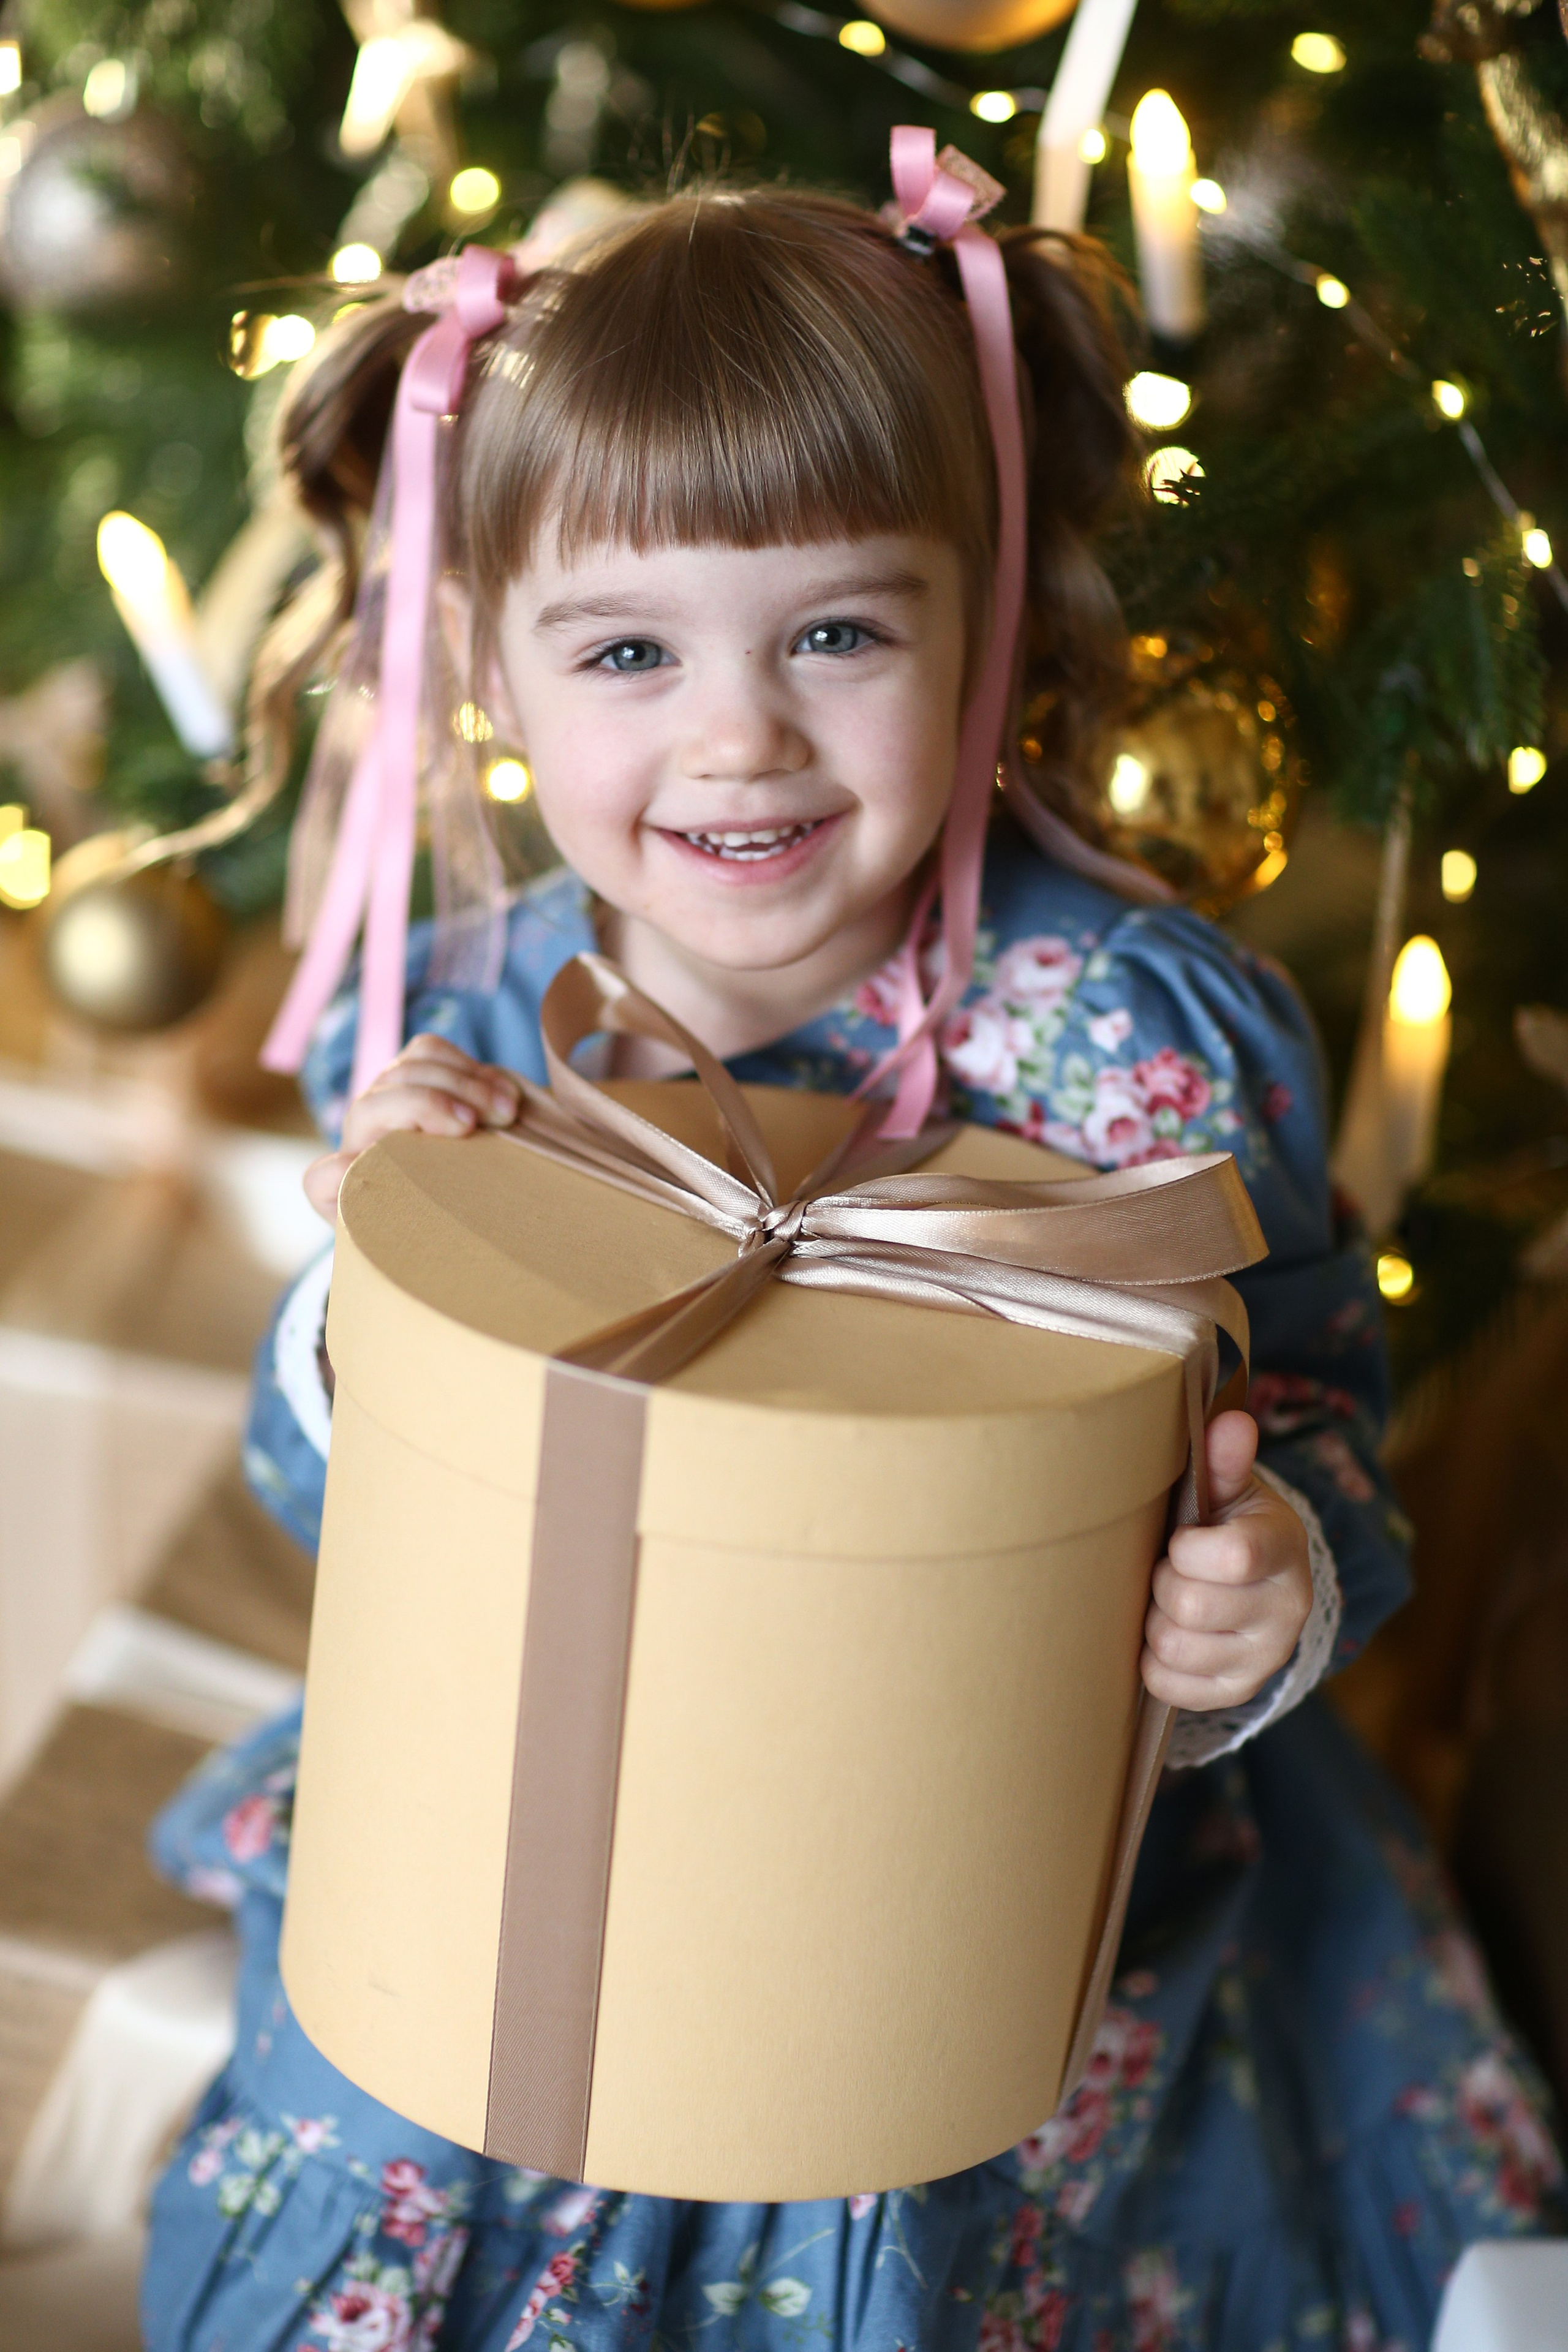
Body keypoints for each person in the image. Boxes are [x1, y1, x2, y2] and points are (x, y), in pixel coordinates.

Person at [142, 142, 1562, 2352]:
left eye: (836, 631)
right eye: (628, 650)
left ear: (985, 628)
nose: (740, 737)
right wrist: (386, 1288)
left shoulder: (1133, 1033)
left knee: (997, 2143)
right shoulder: (484, 1031)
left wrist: (1262, 1573)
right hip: (564, 1784)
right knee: (440, 2101)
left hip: (987, 1829)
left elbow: (1310, 1411)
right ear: (494, 681)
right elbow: (331, 1502)